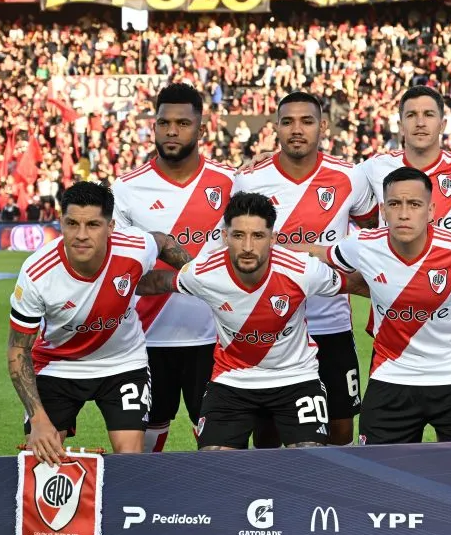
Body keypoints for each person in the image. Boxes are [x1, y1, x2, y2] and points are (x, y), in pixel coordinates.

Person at [317, 168, 451, 444]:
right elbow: (317, 255)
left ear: (431, 210)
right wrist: (270, 247)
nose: (404, 213)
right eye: (395, 204)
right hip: (390, 378)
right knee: (379, 480)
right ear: (384, 210)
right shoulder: (362, 245)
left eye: (414, 204)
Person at [154, 192, 365, 450]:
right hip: (232, 381)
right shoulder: (203, 273)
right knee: (214, 459)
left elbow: (356, 284)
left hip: (296, 378)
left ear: (273, 239)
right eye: (239, 235)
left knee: (310, 457)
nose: (247, 247)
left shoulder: (302, 270)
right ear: (224, 237)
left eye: (258, 236)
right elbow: (160, 282)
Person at [7, 182, 192, 466]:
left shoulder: (134, 247)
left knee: (130, 458)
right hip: (58, 366)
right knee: (42, 456)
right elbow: (18, 351)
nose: (81, 235)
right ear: (61, 223)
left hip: (122, 363)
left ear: (111, 227)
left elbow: (164, 242)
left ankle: (126, 511)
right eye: (72, 224)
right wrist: (38, 420)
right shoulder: (37, 272)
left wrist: (198, 275)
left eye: (93, 224)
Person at [231, 92, 378, 446]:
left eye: (307, 121)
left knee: (341, 427)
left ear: (322, 126)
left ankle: (335, 500)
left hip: (332, 326)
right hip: (272, 327)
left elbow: (373, 233)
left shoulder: (350, 177)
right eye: (288, 121)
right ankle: (274, 499)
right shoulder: (250, 180)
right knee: (268, 432)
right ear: (276, 128)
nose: (297, 130)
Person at [112, 83, 236, 452]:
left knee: (218, 446)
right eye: (164, 122)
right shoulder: (127, 188)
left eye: (182, 123)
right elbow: (122, 274)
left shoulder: (230, 182)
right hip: (147, 339)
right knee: (145, 451)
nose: (171, 130)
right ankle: (142, 510)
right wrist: (186, 279)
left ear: (201, 129)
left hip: (216, 338)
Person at [356, 86, 451, 236]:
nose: (420, 123)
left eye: (428, 114)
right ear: (401, 127)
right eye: (411, 115)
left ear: (442, 125)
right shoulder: (374, 168)